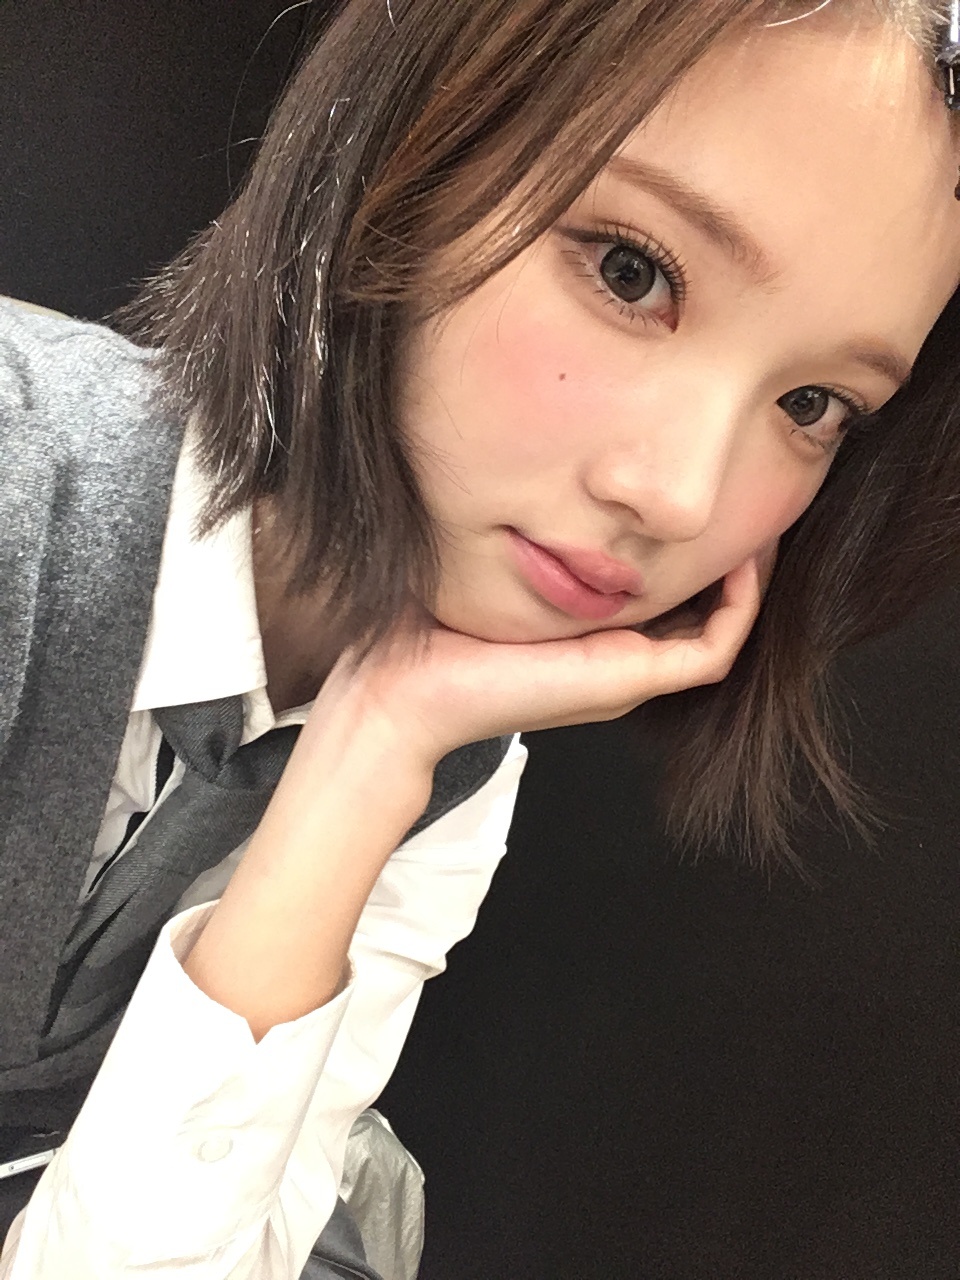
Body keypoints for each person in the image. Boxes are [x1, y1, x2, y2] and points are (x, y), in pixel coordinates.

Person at [2, 0, 960, 1274]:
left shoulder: (449, 755)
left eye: (813, 402)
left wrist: (367, 758)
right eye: (633, 272)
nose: (680, 495)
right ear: (403, 157)